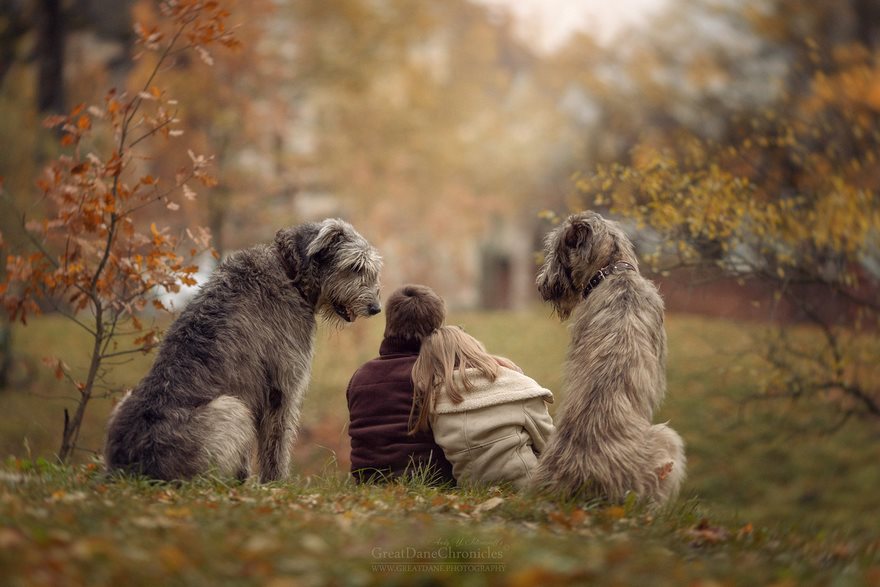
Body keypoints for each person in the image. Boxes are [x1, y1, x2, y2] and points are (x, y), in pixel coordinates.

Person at [409, 325, 555, 489]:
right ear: (473, 349)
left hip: (471, 490)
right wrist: (517, 374)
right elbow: (551, 446)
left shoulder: (434, 405)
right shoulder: (517, 390)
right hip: (527, 487)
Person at [346, 284, 455, 484]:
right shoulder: (437, 375)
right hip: (430, 480)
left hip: (368, 480)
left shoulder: (359, 377)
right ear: (437, 329)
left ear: (389, 323)